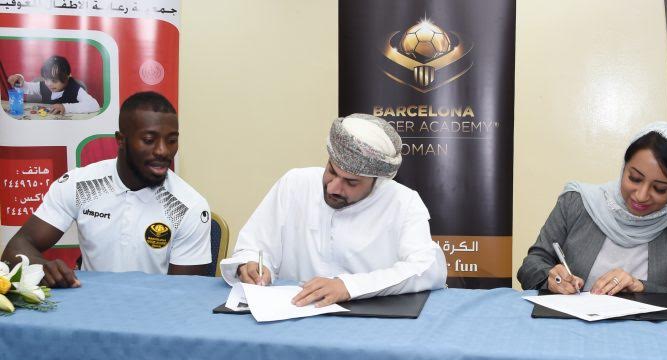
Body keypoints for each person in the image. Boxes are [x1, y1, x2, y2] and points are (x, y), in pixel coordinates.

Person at [221, 113, 447, 307]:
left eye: (351, 182)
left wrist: (348, 286)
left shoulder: (402, 202)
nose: (333, 188)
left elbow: (428, 268)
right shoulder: (295, 184)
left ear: (376, 180)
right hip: (293, 316)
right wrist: (248, 264)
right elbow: (253, 246)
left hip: (369, 322)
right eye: (332, 171)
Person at [1, 92, 212, 287]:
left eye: (172, 140)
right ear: (121, 140)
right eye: (149, 140)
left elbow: (184, 293)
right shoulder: (80, 185)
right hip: (88, 306)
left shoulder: (188, 206)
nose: (163, 151)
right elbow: (15, 249)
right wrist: (42, 267)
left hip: (156, 310)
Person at [517, 122, 667, 295]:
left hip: (647, 327)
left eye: (659, 189)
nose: (641, 195)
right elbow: (530, 266)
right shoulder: (576, 203)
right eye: (634, 179)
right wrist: (550, 277)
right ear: (624, 167)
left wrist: (642, 288)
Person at [7, 55, 100, 114]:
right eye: (46, 79)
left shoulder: (75, 89)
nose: (49, 84)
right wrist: (19, 79)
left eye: (54, 81)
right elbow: (27, 87)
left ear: (67, 77)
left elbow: (94, 105)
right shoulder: (44, 85)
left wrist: (66, 107)